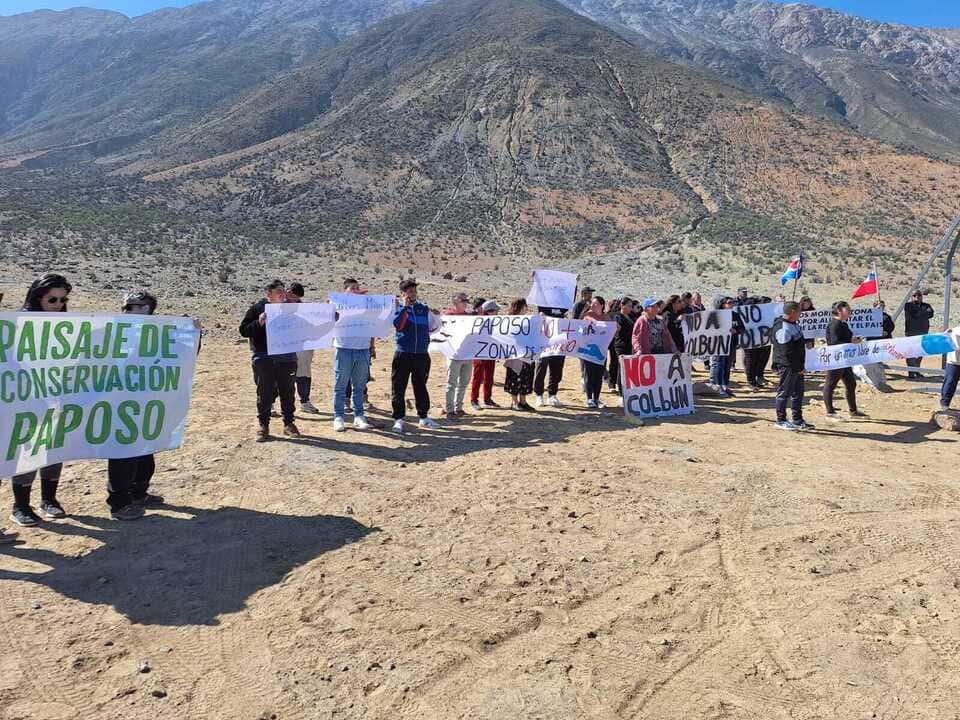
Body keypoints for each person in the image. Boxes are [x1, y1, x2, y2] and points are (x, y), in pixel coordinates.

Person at [105, 291, 181, 521]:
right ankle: (119, 503)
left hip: (147, 403)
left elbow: (180, 358)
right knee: (122, 454)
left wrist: (193, 332)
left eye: (135, 306)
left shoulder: (158, 334)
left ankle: (139, 493)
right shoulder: (113, 332)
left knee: (145, 451)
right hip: (120, 403)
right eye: (126, 306)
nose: (128, 310)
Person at [5, 274, 72, 528]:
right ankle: (20, 506)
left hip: (56, 398)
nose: (57, 304)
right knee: (28, 451)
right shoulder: (18, 324)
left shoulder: (68, 325)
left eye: (62, 300)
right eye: (52, 299)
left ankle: (49, 500)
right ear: (37, 297)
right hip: (26, 400)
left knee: (54, 449)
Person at [239, 279, 301, 442]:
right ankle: (263, 425)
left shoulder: (291, 308)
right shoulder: (257, 308)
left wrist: (330, 314)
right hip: (264, 357)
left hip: (286, 357)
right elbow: (243, 330)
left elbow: (310, 320)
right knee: (264, 392)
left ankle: (289, 423)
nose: (282, 294)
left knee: (287, 391)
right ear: (269, 294)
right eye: (278, 291)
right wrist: (258, 322)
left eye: (283, 291)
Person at [391, 279, 440, 433]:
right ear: (403, 294)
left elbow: (434, 326)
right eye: (409, 291)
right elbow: (398, 325)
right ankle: (398, 419)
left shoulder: (423, 308)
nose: (413, 294)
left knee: (421, 386)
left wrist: (435, 317)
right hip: (403, 353)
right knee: (399, 387)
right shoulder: (398, 308)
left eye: (414, 291)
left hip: (421, 354)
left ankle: (424, 417)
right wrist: (404, 308)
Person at [332, 277, 374, 432]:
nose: (357, 290)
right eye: (353, 288)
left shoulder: (367, 305)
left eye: (358, 287)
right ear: (345, 291)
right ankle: (338, 416)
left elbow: (380, 317)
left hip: (363, 349)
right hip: (343, 348)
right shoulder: (336, 303)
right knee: (340, 385)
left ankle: (359, 416)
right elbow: (327, 317)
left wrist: (391, 306)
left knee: (359, 385)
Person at [771, 301, 814, 431]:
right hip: (788, 366)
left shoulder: (793, 324)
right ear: (792, 312)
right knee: (784, 393)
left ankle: (797, 419)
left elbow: (796, 342)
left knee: (798, 393)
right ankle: (781, 420)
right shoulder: (783, 328)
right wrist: (798, 367)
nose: (801, 314)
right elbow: (786, 352)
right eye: (799, 312)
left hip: (797, 366)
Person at [823, 301, 866, 420]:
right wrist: (851, 341)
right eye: (847, 309)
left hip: (845, 359)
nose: (850, 311)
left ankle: (853, 411)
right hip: (836, 359)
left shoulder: (843, 324)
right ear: (839, 311)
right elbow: (834, 342)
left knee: (851, 383)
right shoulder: (834, 325)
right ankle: (830, 412)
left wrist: (853, 340)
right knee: (830, 384)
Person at [286, 283, 320, 415]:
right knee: (279, 376)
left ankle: (305, 401)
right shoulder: (276, 307)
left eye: (296, 297)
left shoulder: (305, 309)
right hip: (283, 347)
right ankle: (272, 403)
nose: (293, 299)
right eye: (292, 295)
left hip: (303, 347)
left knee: (304, 373)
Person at [533, 296, 570, 408]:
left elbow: (569, 297)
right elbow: (539, 292)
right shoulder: (544, 303)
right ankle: (539, 395)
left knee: (557, 367)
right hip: (545, 340)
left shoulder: (563, 305)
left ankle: (552, 394)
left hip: (559, 341)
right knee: (541, 366)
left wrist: (574, 285)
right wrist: (537, 279)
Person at [443, 291, 473, 417]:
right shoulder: (449, 316)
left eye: (466, 301)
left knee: (464, 382)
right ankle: (450, 410)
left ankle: (458, 407)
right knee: (452, 383)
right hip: (454, 354)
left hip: (467, 354)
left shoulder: (469, 317)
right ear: (456, 302)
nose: (466, 303)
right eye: (464, 301)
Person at [708, 296, 744, 397]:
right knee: (719, 365)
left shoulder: (735, 315)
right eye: (729, 302)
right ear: (723, 304)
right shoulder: (716, 315)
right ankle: (717, 386)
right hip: (719, 344)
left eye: (732, 302)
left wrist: (736, 330)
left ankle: (724, 385)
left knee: (727, 365)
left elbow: (742, 328)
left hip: (731, 344)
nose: (732, 304)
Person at [504, 298, 536, 411]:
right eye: (525, 306)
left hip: (527, 355)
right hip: (515, 355)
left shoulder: (529, 320)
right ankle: (514, 402)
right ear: (520, 307)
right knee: (515, 378)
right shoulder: (511, 320)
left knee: (526, 378)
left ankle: (523, 401)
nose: (527, 308)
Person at [470, 300, 501, 410]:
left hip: (490, 352)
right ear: (490, 311)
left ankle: (487, 399)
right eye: (496, 310)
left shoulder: (495, 321)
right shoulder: (479, 321)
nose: (498, 312)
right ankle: (474, 400)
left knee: (489, 377)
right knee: (477, 377)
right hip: (479, 353)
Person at [740, 290, 773, 389]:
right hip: (750, 340)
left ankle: (756, 378)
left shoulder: (767, 313)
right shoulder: (750, 307)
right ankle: (751, 381)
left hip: (763, 340)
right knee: (751, 360)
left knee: (760, 359)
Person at [580, 296, 608, 408]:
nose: (592, 305)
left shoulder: (606, 317)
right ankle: (589, 398)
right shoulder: (587, 316)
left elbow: (613, 330)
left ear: (601, 305)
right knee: (589, 374)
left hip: (601, 351)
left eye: (595, 304)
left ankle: (596, 398)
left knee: (598, 374)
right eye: (592, 303)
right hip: (588, 350)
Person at [904, 290, 935, 378]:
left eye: (919, 295)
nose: (917, 297)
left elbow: (931, 314)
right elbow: (916, 315)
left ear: (922, 296)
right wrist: (924, 313)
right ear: (911, 297)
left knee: (920, 352)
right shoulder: (908, 305)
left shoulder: (927, 305)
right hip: (911, 332)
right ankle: (911, 372)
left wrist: (921, 313)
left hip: (923, 332)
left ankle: (917, 370)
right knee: (911, 353)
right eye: (914, 295)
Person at [612, 297, 635, 395]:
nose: (630, 308)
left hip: (629, 345)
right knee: (622, 368)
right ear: (622, 305)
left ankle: (627, 390)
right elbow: (617, 331)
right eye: (628, 306)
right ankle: (621, 392)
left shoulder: (630, 317)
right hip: (621, 345)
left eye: (631, 306)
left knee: (628, 368)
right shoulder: (618, 317)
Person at [940, 326, 960, 410]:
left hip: (954, 361)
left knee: (950, 382)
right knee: (950, 382)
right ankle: (944, 405)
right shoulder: (955, 331)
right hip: (954, 362)